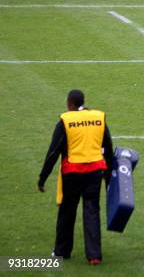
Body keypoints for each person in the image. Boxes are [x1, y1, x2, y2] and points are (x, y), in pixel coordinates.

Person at [38, 89, 113, 265]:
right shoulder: (98, 118)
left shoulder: (66, 120)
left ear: (70, 104)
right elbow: (108, 148)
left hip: (72, 172)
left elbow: (53, 151)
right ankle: (94, 255)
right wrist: (108, 176)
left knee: (67, 211)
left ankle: (62, 251)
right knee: (92, 210)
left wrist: (43, 177)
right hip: (95, 171)